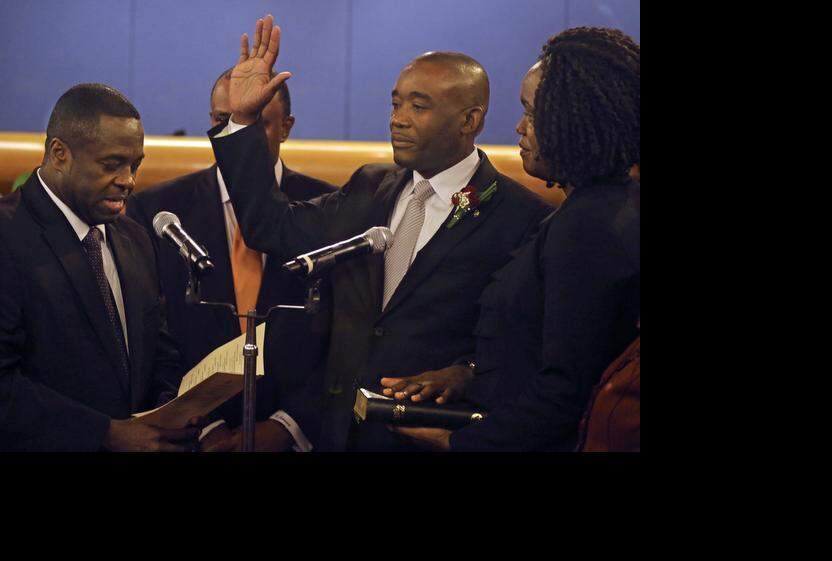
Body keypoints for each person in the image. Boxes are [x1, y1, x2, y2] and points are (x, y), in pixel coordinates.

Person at [208, 15, 552, 450]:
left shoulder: (521, 217)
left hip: (427, 439)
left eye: (418, 107)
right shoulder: (369, 187)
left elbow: (526, 346)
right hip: (337, 436)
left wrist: (466, 369)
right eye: (396, 104)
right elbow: (270, 227)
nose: (399, 120)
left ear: (470, 119)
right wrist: (241, 120)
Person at [384, 27, 641, 451]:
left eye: (534, 114)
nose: (520, 127)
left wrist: (458, 443)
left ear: (577, 120)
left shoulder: (588, 227)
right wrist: (467, 372)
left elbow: (564, 390)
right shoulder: (606, 208)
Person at [127, 68, 337, 452]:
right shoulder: (156, 210)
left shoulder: (329, 208)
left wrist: (288, 426)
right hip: (192, 438)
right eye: (221, 121)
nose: (234, 134)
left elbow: (341, 336)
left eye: (253, 122)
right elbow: (152, 335)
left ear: (286, 127)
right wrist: (204, 428)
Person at [0, 83, 199, 451]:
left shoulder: (136, 238)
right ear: (60, 154)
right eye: (112, 165)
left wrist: (167, 410)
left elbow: (160, 349)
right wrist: (106, 435)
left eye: (135, 164)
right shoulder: (8, 236)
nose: (128, 180)